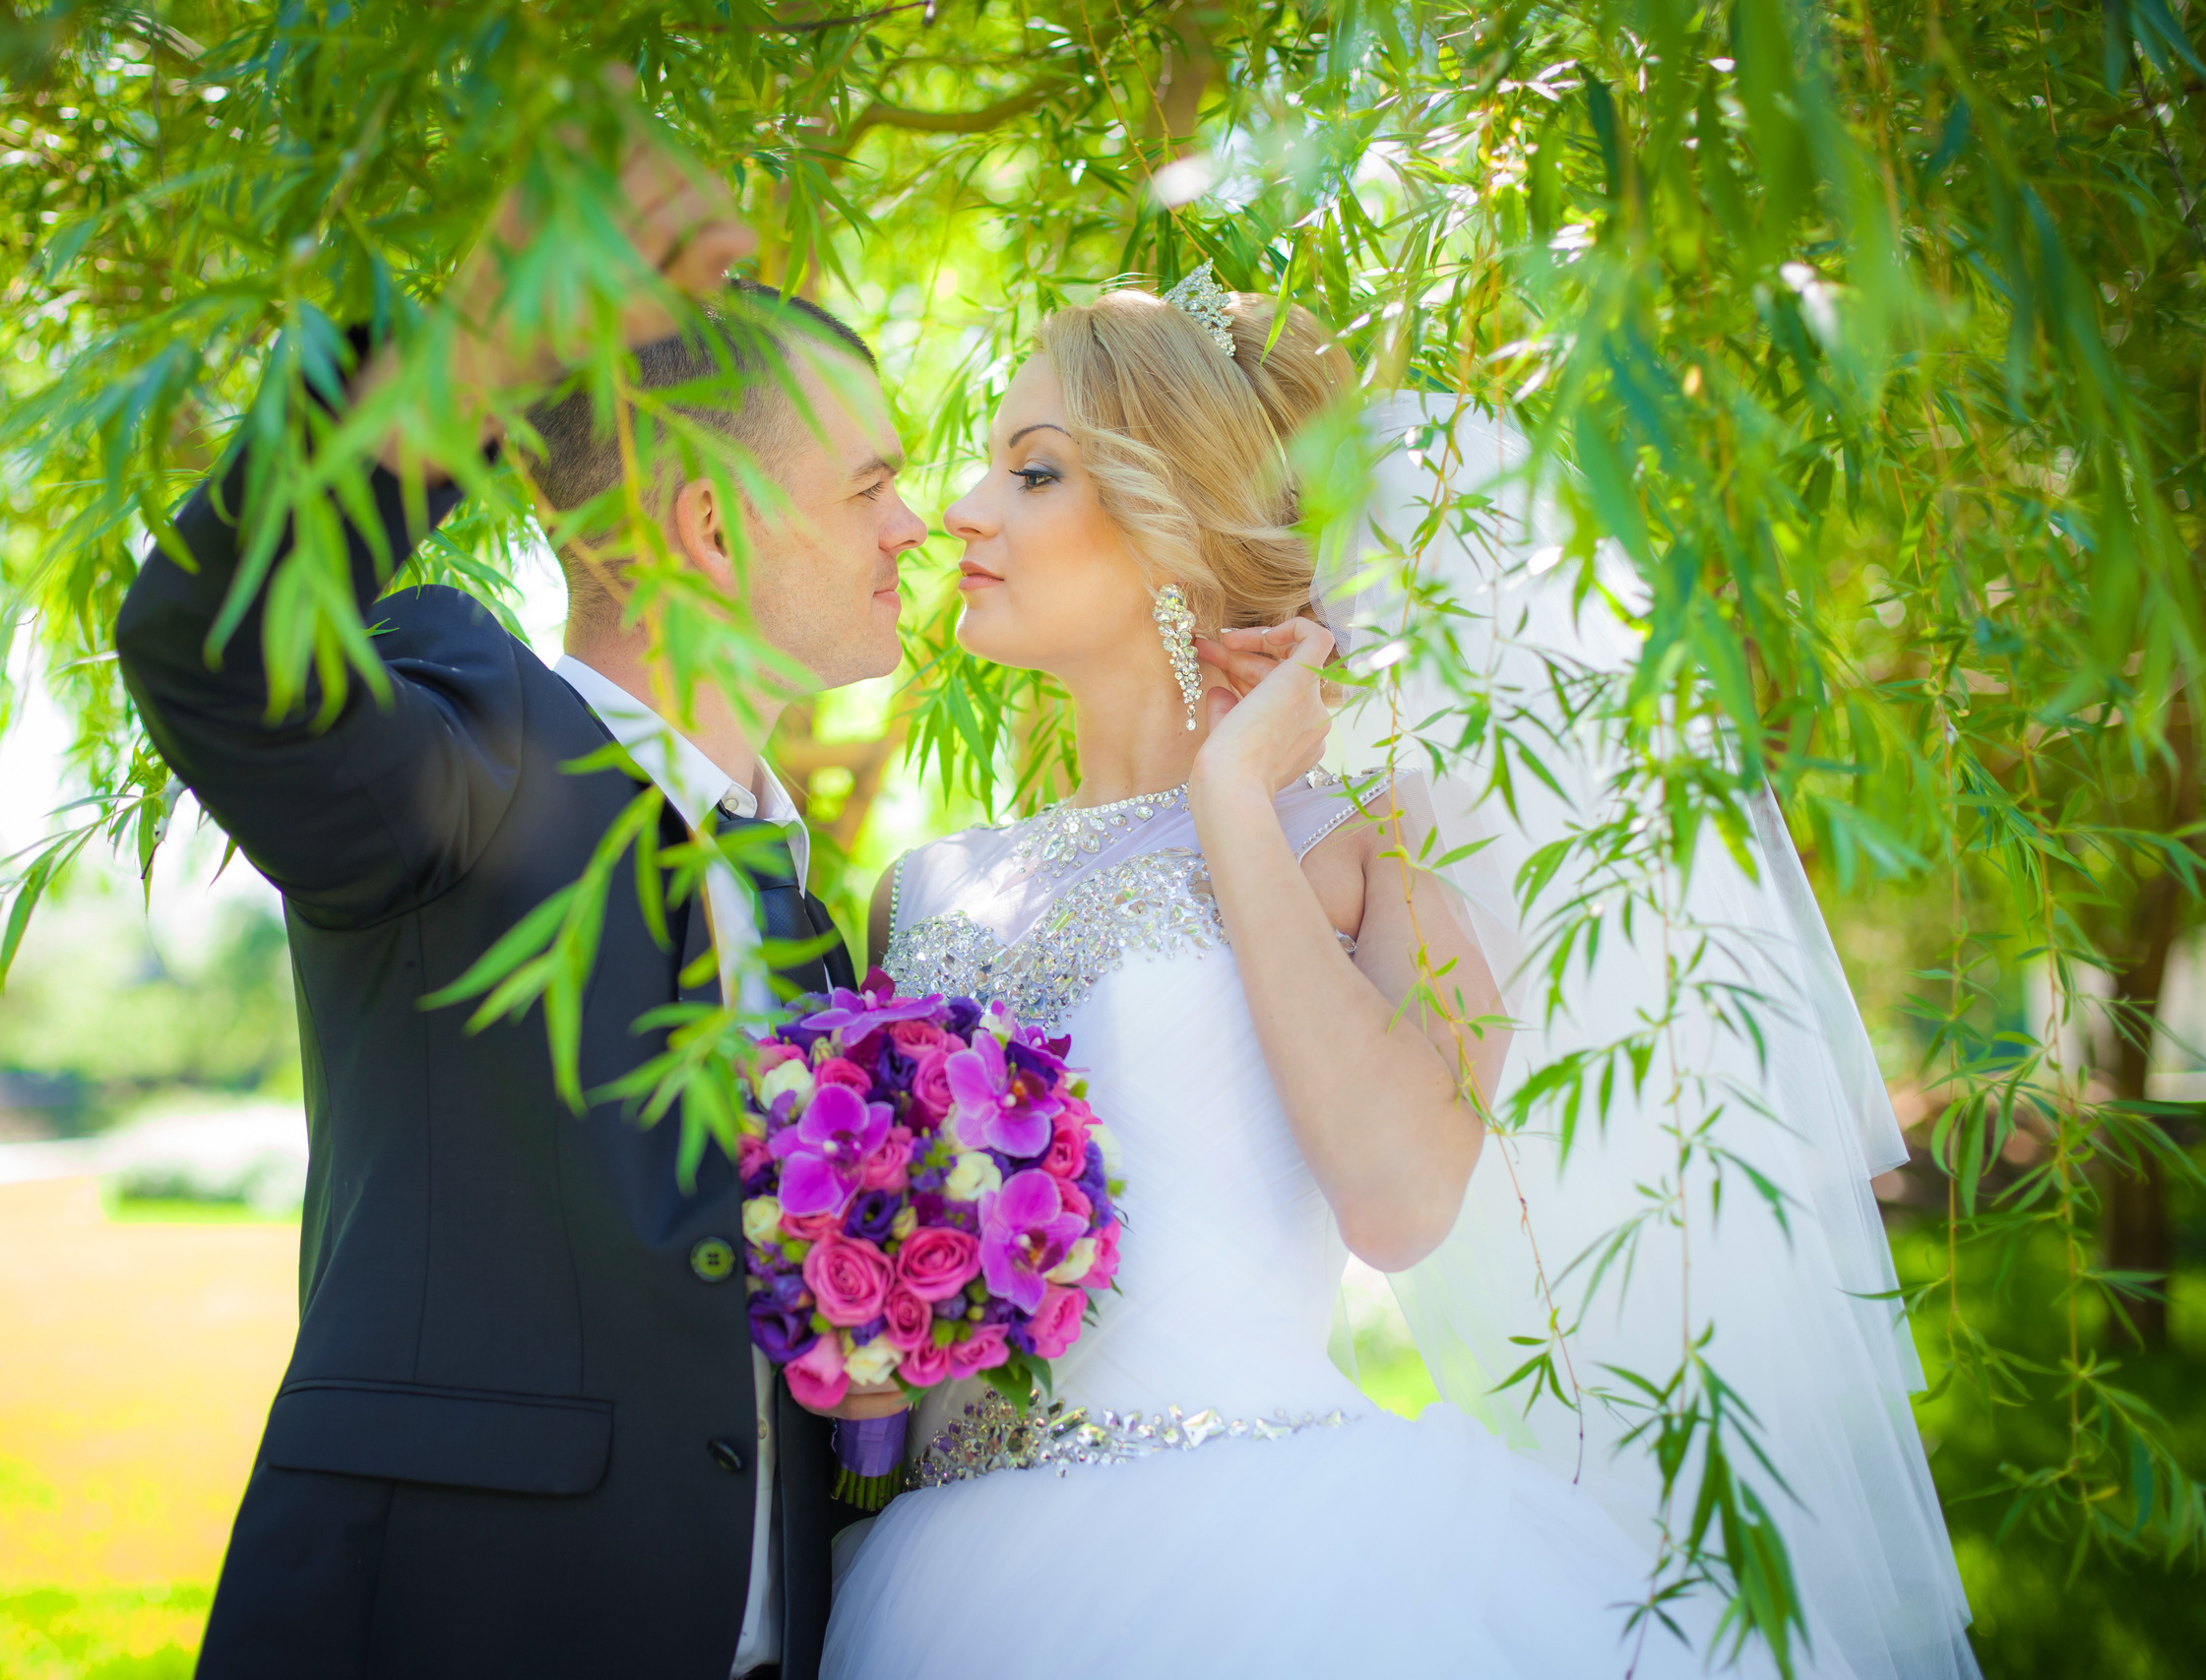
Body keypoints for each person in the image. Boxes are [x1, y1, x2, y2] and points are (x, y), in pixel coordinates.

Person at [822, 275, 1978, 1677]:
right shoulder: (926, 889)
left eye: (1036, 471)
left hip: (1260, 1578)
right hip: (939, 1579)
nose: (963, 511)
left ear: (1179, 530)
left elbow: (1400, 1200)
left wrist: (1237, 798)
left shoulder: (1374, 854)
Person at [115, 146, 924, 1678]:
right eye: (874, 485)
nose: (917, 528)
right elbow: (207, 642)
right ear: (708, 530)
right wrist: (472, 358)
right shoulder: (468, 757)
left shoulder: (810, 909)